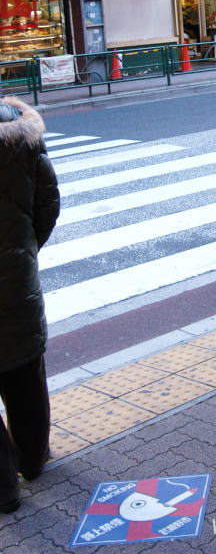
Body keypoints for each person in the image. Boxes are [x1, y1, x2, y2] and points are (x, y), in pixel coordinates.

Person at [0, 96, 60, 513]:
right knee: (24, 373)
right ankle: (34, 461)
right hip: (14, 278)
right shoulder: (16, 126)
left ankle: (4, 491)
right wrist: (23, 249)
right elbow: (47, 202)